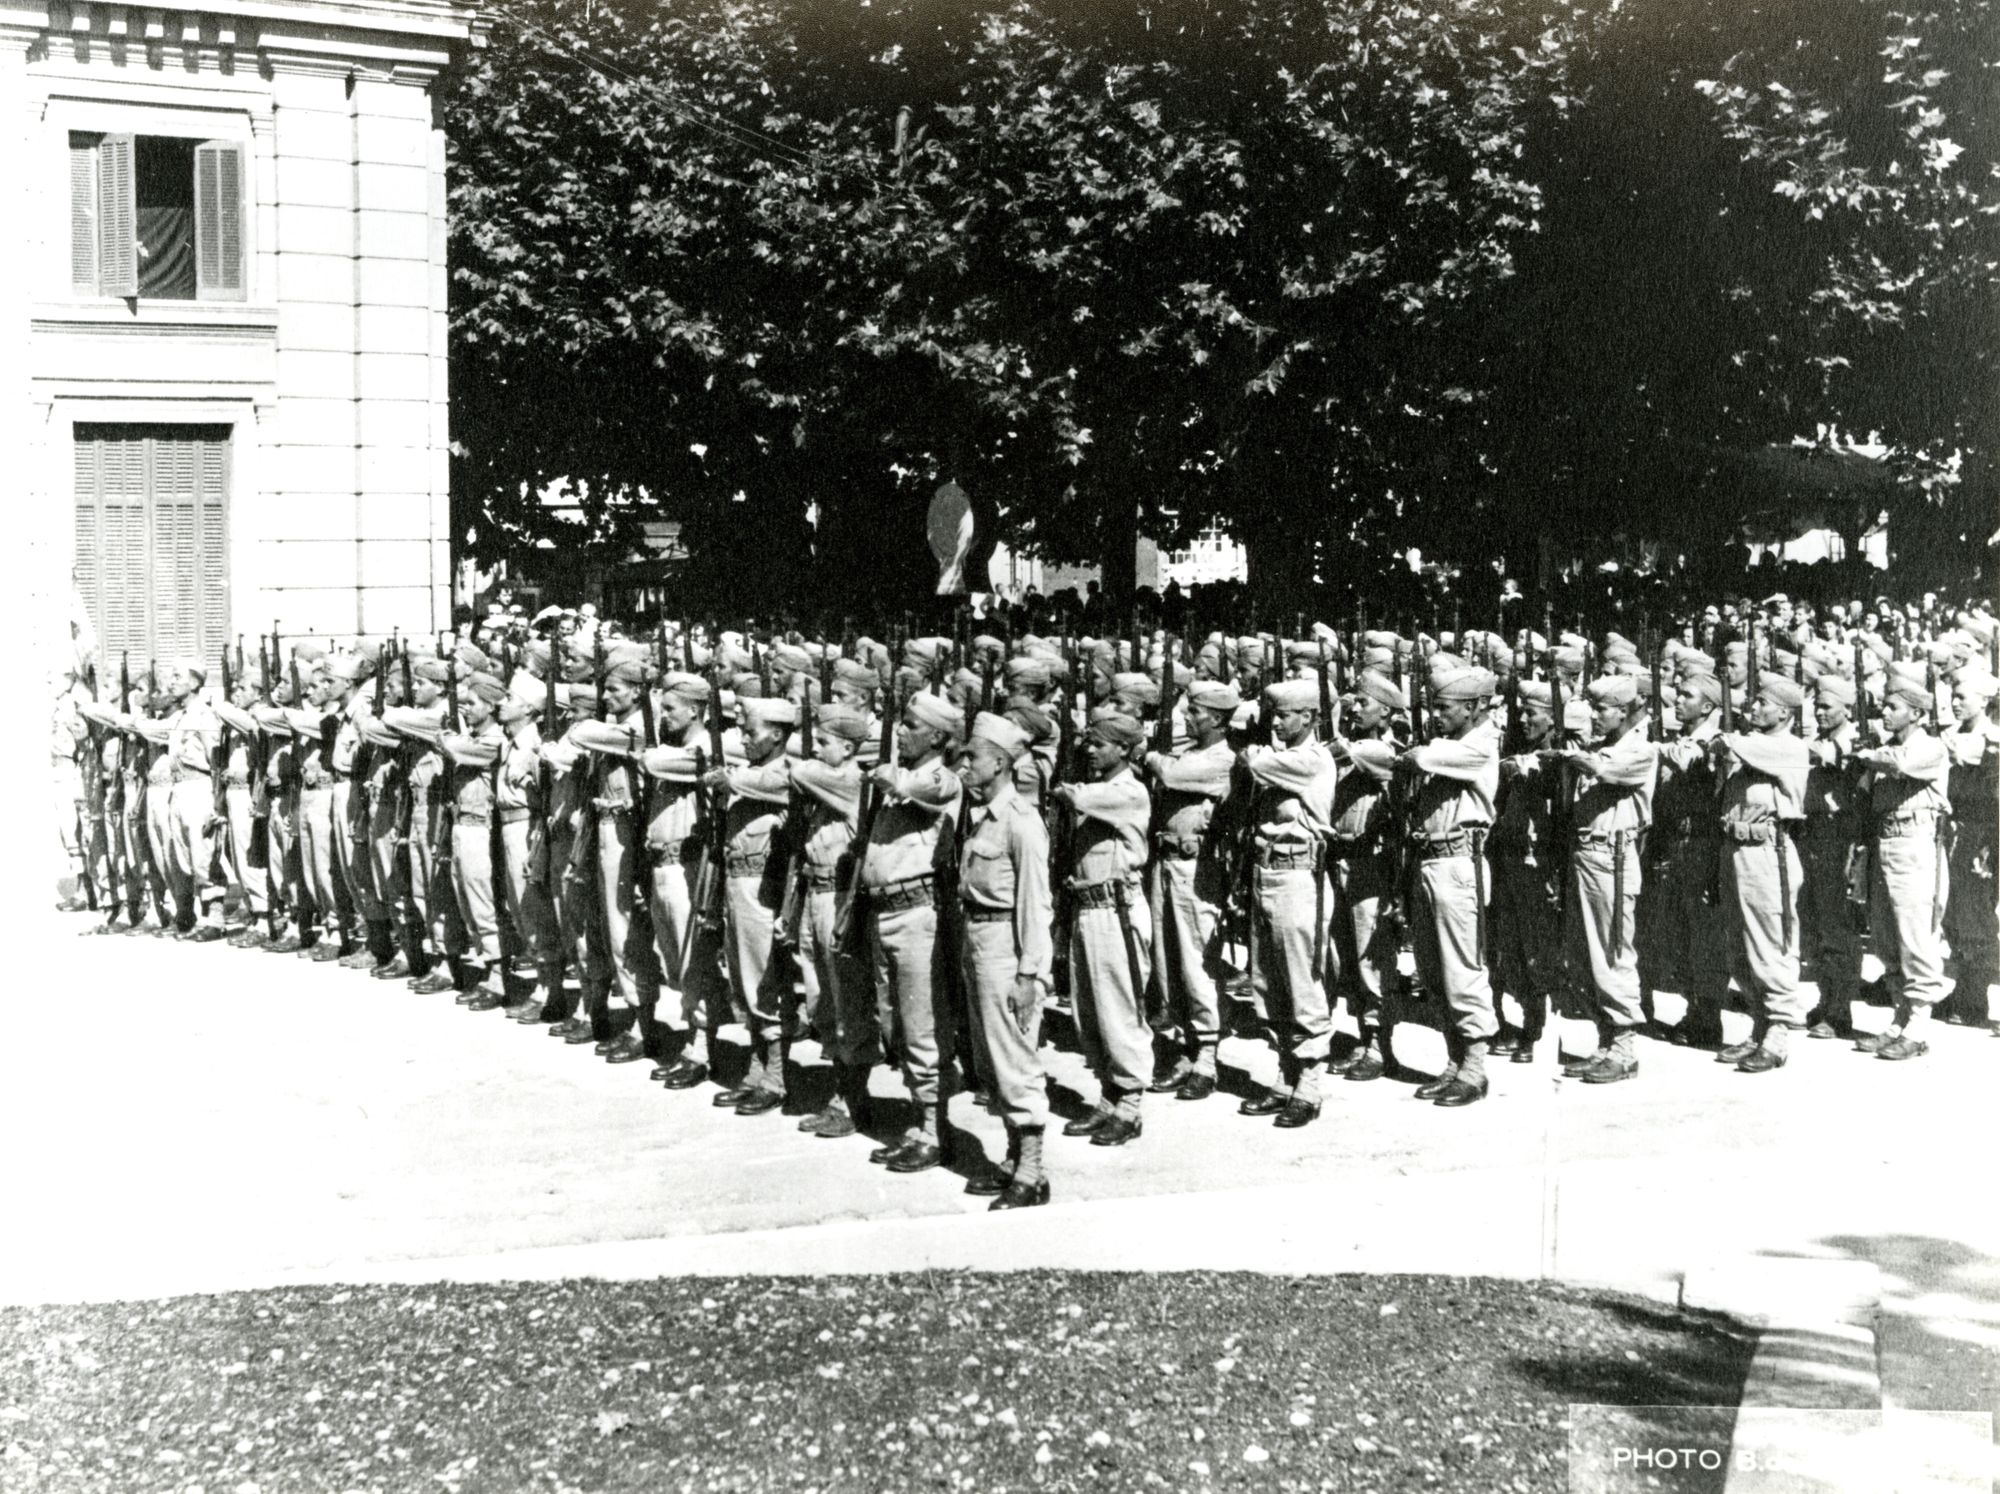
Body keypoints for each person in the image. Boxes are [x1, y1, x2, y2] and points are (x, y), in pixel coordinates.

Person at [855, 688, 963, 1174]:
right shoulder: (903, 776)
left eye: (911, 726)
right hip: (884, 911)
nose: (900, 731)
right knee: (895, 1022)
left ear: (937, 737)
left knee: (923, 1027)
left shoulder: (940, 777)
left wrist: (892, 776)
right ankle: (920, 1121)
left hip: (918, 914)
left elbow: (928, 787)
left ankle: (934, 1130)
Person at [955, 712, 1056, 1207]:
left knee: (1015, 1058)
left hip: (1005, 948)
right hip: (977, 942)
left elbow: (1036, 905)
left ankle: (1032, 1172)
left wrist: (1029, 974)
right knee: (991, 1060)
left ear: (999, 762)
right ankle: (1015, 1158)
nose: (964, 763)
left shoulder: (1022, 822)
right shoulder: (983, 816)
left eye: (972, 756)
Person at [1236, 678, 1338, 1126]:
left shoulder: (1310, 760)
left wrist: (1253, 743)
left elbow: (1255, 763)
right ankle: (1286, 1075)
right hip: (1267, 871)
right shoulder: (1284, 756)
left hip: (1298, 876)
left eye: (1284, 715)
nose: (1275, 723)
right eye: (1272, 715)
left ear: (1310, 717)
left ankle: (1310, 1085)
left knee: (1302, 983)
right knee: (1269, 983)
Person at [1051, 706, 1154, 1146]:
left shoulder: (1128, 791)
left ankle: (1130, 1105)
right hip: (1089, 907)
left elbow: (1074, 797)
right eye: (1088, 743)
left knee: (1119, 1011)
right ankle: (1109, 1097)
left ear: (1125, 749)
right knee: (1089, 1013)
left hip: (1118, 912)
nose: (1089, 750)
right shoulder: (1099, 788)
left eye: (1099, 744)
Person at [1400, 667, 1501, 1106]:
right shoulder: (1447, 744)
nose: (1436, 715)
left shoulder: (1481, 744)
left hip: (1460, 862)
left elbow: (1425, 757)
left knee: (1463, 970)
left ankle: (1475, 1068)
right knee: (1433, 970)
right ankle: (1454, 1061)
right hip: (1429, 859)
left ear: (1474, 707)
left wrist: (1414, 753)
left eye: (1445, 708)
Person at [1141, 679, 1240, 1101]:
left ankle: (1207, 1059)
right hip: (1165, 864)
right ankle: (1185, 1047)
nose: (1187, 716)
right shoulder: (1188, 753)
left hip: (1197, 869)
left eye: (1195, 712)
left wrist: (1149, 754)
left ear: (1216, 719)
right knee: (1168, 963)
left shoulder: (1222, 759)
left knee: (1197, 964)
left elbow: (1170, 774)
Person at [699, 694, 798, 1115]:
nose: (743, 739)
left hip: (764, 886)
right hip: (736, 883)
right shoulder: (750, 773)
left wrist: (729, 780)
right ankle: (757, 1069)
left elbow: (774, 786)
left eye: (751, 732)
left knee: (765, 983)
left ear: (776, 735)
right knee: (745, 982)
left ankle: (776, 1077)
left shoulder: (787, 772)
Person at [1557, 675, 1659, 1083]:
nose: (1594, 716)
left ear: (1625, 710)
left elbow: (1606, 769)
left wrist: (1576, 757)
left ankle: (1624, 1048)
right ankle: (1605, 1040)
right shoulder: (1603, 745)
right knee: (1584, 956)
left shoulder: (1641, 749)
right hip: (1585, 854)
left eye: (1602, 709)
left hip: (1611, 858)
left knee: (1613, 953)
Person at [779, 702, 873, 1136]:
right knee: (822, 1001)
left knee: (847, 1001)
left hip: (839, 897)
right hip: (815, 892)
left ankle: (852, 1100)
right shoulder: (828, 779)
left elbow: (798, 771)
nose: (814, 749)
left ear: (849, 748)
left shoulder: (851, 781)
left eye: (823, 742)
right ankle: (841, 1092)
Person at [1711, 675, 1811, 1072]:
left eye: (1762, 703)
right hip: (1737, 849)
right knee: (1739, 945)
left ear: (1784, 712)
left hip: (1770, 853)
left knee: (1771, 943)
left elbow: (1737, 744)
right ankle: (1758, 1026)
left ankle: (1778, 1033)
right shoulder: (1755, 745)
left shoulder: (1788, 747)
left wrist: (1725, 740)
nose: (1752, 709)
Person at [1853, 667, 1952, 1061]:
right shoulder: (1883, 749)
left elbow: (1901, 764)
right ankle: (1899, 1018)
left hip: (1915, 844)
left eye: (1892, 707)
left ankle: (1919, 1027)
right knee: (1886, 936)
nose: (1884, 713)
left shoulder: (1930, 747)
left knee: (1915, 937)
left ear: (1916, 713)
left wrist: (1866, 755)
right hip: (1884, 840)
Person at [1323, 671, 1402, 1082]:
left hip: (1370, 864)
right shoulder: (1353, 746)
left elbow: (1342, 753)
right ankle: (1360, 1034)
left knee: (1372, 959)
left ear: (1385, 712)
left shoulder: (1382, 751)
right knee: (1343, 957)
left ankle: (1378, 1044)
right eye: (1352, 702)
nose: (1355, 708)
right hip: (1338, 858)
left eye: (1363, 703)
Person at [1487, 680, 1563, 1065]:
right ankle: (1522, 1022)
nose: (1522, 719)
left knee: (1537, 949)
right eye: (1521, 712)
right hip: (1511, 858)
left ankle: (1536, 1029)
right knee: (1511, 946)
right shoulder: (1522, 751)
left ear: (1552, 718)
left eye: (1531, 713)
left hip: (1539, 863)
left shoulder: (1556, 757)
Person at [1799, 673, 1864, 1039]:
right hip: (1812, 833)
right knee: (1814, 923)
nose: (1819, 712)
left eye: (1826, 706)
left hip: (1839, 835)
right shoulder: (1818, 739)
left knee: (1837, 925)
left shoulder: (1855, 740)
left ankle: (1840, 1009)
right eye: (1817, 706)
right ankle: (1826, 998)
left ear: (1847, 708)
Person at [1937, 669, 1998, 1028]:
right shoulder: (1950, 733)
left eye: (1962, 696)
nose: (1955, 702)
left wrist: (1989, 846)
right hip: (1951, 830)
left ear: (1985, 700)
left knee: (1976, 913)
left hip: (1981, 833)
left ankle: (1974, 997)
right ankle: (1962, 987)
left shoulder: (1993, 739)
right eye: (1953, 696)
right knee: (1951, 913)